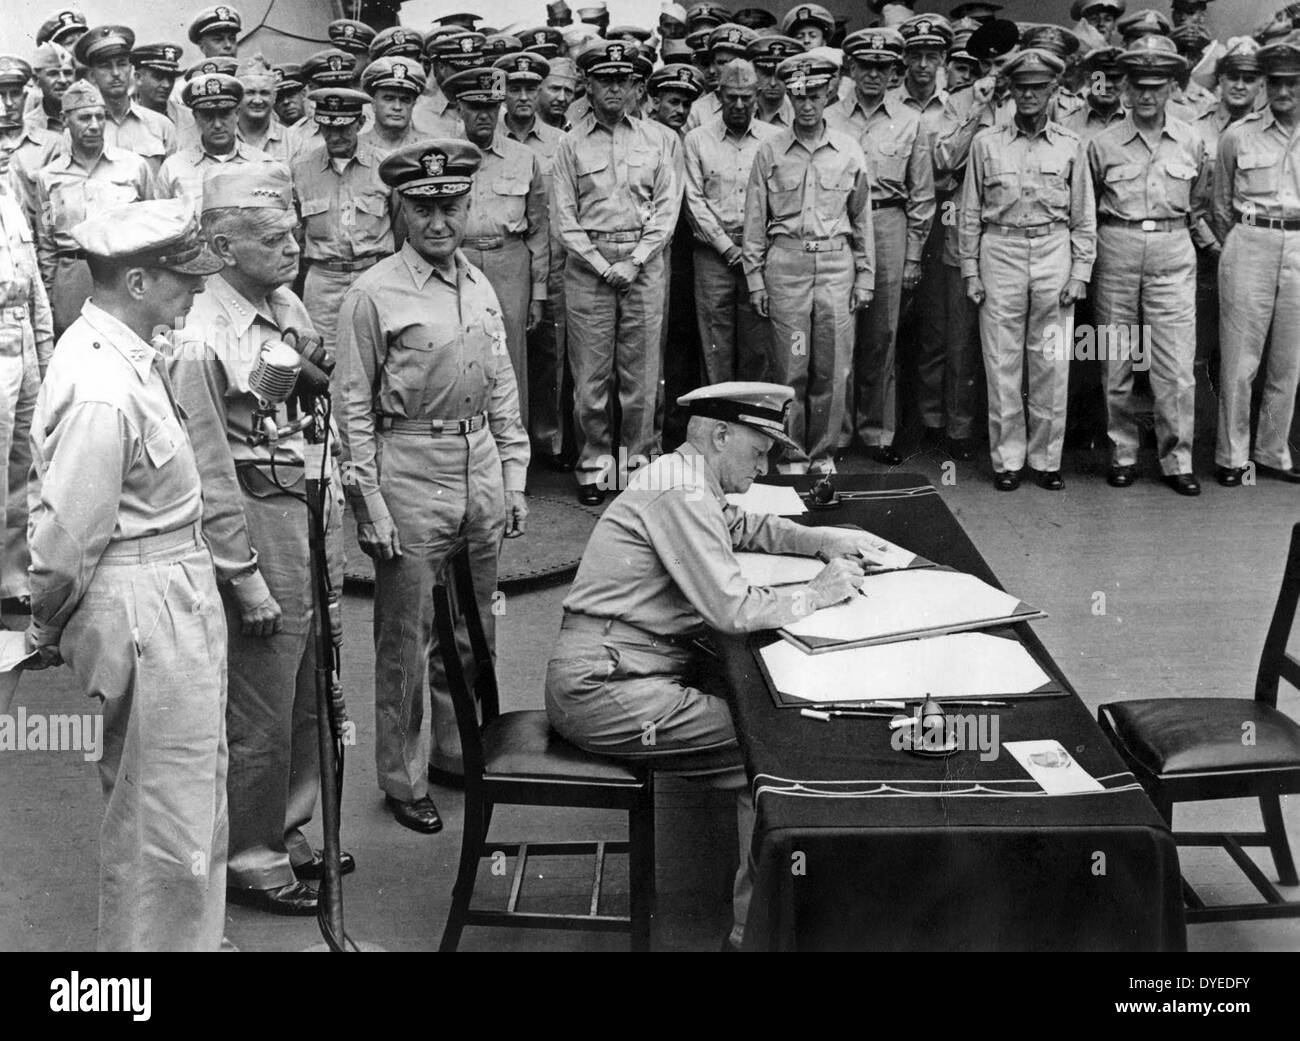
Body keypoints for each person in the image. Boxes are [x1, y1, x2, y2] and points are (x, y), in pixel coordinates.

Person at [545, 380, 889, 952]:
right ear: (720, 434)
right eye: (758, 449)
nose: (766, 462)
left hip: (622, 666)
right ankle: (751, 934)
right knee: (766, 748)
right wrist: (819, 593)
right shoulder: (677, 492)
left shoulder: (685, 479)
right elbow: (731, 608)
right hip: (604, 686)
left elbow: (741, 527)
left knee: (761, 720)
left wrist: (818, 539)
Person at [26, 197, 228, 951]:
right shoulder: (103, 386)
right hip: (144, 599)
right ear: (139, 281)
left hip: (169, 583)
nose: (198, 288)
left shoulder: (128, 354)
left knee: (187, 810)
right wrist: (45, 626)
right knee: (159, 829)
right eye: (183, 278)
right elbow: (65, 541)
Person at [168, 163, 349, 917]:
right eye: (273, 239)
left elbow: (308, 403)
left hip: (305, 506)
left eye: (296, 235)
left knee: (309, 682)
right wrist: (239, 574)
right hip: (252, 517)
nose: (293, 250)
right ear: (221, 244)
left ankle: (291, 824)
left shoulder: (282, 303)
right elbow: (209, 469)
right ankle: (251, 853)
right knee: (260, 702)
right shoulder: (200, 334)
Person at [333, 139, 529, 833]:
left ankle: (458, 749)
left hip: (476, 458)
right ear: (399, 208)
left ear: (469, 205)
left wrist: (514, 472)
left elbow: (501, 382)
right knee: (406, 636)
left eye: (451, 205)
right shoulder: (373, 293)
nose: (439, 220)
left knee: (475, 627)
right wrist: (370, 504)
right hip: (409, 465)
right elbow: (351, 408)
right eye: (423, 206)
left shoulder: (477, 282)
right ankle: (402, 776)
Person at [958, 48, 1095, 492]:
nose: (1031, 95)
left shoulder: (1072, 145)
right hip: (1001, 249)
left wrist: (1080, 271)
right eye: (1023, 87)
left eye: (1040, 87)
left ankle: (1046, 459)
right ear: (1010, 91)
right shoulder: (986, 143)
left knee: (1051, 361)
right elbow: (969, 212)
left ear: (1054, 90)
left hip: (1053, 248)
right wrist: (971, 271)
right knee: (1001, 360)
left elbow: (1083, 215)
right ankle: (1008, 461)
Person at [551, 40, 680, 505]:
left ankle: (635, 466)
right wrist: (606, 266)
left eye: (622, 81)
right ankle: (595, 466)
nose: (613, 89)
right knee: (590, 378)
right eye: (603, 80)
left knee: (642, 378)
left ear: (634, 86)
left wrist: (636, 261)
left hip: (643, 265)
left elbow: (667, 210)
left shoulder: (660, 140)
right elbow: (564, 219)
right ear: (587, 84)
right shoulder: (569, 144)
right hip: (590, 268)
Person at [1087, 35, 1212, 496]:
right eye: (1138, 85)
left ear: (1172, 89)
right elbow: (1089, 201)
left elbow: (1201, 200)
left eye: (1156, 86)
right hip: (1116, 243)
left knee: (1175, 362)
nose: (1146, 95)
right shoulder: (1102, 144)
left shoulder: (1192, 140)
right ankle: (1122, 452)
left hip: (1172, 244)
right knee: (1115, 358)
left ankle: (1176, 459)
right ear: (1124, 88)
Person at [742, 52, 874, 475]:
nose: (807, 105)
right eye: (799, 96)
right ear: (788, 99)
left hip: (836, 266)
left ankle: (822, 453)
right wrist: (756, 281)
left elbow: (862, 218)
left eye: (815, 95)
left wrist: (865, 277)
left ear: (829, 93)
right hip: (788, 267)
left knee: (832, 368)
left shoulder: (848, 150)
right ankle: (793, 452)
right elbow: (754, 220)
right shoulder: (771, 150)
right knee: (790, 365)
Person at [829, 28, 934, 466]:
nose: (873, 74)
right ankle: (836, 433)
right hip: (838, 226)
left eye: (883, 67)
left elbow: (923, 195)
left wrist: (912, 255)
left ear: (895, 72)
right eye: (865, 65)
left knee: (882, 334)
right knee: (836, 332)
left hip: (889, 221)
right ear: (850, 69)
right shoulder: (830, 116)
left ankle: (877, 432)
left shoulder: (911, 122)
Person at [1212, 30, 1300, 485]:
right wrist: (1245, 241)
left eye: (1293, 82)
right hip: (1250, 241)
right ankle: (1232, 455)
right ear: (1265, 83)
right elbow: (1220, 204)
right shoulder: (1239, 136)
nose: (1284, 91)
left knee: (1288, 360)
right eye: (1277, 82)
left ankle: (1271, 450)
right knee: (1240, 359)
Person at [446, 66, 549, 428]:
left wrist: (538, 293)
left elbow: (538, 230)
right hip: (457, 261)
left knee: (509, 358)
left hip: (510, 263)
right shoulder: (444, 156)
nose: (484, 115)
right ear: (459, 108)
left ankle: (512, 449)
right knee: (457, 352)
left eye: (491, 106)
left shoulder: (524, 158)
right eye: (475, 107)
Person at [33, 81, 154, 337]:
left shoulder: (134, 167)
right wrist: (52, 293)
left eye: (100, 117)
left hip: (123, 274)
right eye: (85, 118)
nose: (95, 125)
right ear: (65, 120)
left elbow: (152, 229)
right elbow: (46, 243)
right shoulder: (48, 178)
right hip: (72, 278)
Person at [685, 59, 778, 383]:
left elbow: (780, 201)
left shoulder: (774, 139)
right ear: (719, 94)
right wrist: (727, 248)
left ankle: (752, 429)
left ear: (758, 95)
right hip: (713, 255)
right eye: (731, 97)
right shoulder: (697, 139)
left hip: (760, 256)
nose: (739, 105)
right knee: (715, 347)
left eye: (746, 98)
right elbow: (693, 200)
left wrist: (753, 250)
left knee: (758, 347)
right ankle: (716, 429)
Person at [290, 87, 393, 354]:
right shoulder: (302, 168)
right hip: (323, 281)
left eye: (343, 128)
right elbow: (294, 232)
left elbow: (402, 225)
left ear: (360, 123)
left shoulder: (385, 167)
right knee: (322, 359)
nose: (334, 136)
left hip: (374, 275)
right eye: (327, 128)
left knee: (379, 354)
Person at [0, 175, 53, 618]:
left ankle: (13, 577)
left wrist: (45, 348)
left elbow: (33, 280)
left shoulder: (10, 196)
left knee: (24, 462)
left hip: (22, 340)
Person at [156, 73, 271, 208]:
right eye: (208, 116)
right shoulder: (174, 167)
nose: (217, 125)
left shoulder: (262, 164)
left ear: (237, 114)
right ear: (196, 117)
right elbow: (161, 223)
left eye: (224, 115)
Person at [75, 25, 176, 176]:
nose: (116, 73)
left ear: (130, 68)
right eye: (105, 66)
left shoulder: (162, 126)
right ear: (92, 75)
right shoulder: (80, 129)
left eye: (122, 64)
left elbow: (172, 184)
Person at [359, 55, 427, 158]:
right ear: (373, 103)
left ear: (413, 104)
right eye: (389, 98)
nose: (397, 107)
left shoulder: (429, 147)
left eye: (405, 100)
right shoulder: (356, 146)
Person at [234, 55, 292, 161]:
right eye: (250, 92)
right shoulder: (224, 138)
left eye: (264, 93)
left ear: (274, 97)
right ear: (238, 96)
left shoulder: (292, 142)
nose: (257, 100)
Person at [747, 34, 801, 126]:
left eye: (780, 76)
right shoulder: (743, 110)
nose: (773, 83)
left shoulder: (799, 116)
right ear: (755, 72)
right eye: (766, 74)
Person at [537, 57, 578, 129]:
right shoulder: (522, 127)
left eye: (568, 91)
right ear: (538, 89)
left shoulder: (576, 130)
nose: (561, 98)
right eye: (555, 89)